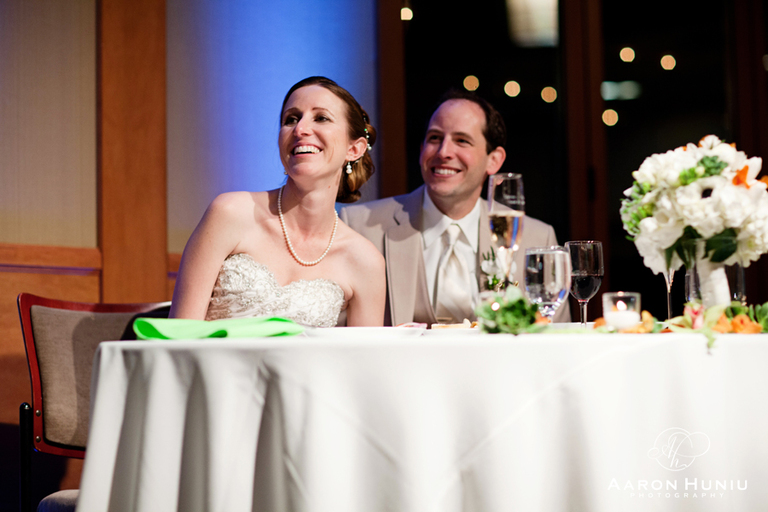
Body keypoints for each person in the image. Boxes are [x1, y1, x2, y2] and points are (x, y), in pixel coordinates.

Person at [340, 89, 570, 326]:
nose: (444, 152)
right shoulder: (360, 227)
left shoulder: (535, 238)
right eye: (434, 138)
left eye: (462, 141)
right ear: (421, 150)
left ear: (494, 160)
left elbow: (556, 336)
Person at [169, 76, 386, 327]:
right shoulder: (229, 213)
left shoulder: (364, 260)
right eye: (291, 119)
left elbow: (363, 352)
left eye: (321, 118)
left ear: (354, 149)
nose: (300, 129)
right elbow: (180, 334)